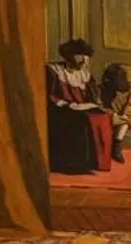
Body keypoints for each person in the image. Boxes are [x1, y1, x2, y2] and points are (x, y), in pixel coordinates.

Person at [46, 38, 112, 174]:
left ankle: (99, 163)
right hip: (61, 111)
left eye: (85, 56)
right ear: (69, 55)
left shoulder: (85, 75)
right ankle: (77, 165)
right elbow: (50, 96)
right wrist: (67, 104)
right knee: (80, 121)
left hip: (82, 108)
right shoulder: (55, 71)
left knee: (103, 117)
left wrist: (94, 103)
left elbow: (93, 96)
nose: (84, 60)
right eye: (80, 55)